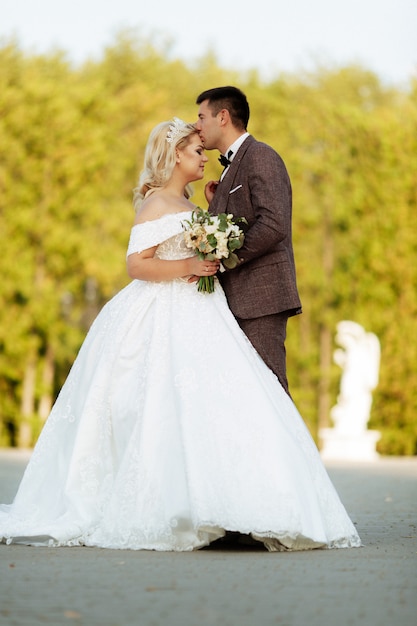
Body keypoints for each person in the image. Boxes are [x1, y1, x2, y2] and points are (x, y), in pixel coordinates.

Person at [0, 118, 361, 552]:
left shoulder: (189, 204)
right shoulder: (155, 204)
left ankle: (230, 504)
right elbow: (137, 264)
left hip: (204, 312)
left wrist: (212, 217)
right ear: (175, 156)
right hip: (159, 312)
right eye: (195, 152)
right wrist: (188, 266)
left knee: (223, 403)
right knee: (162, 404)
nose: (202, 157)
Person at [196, 86, 301, 396]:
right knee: (246, 397)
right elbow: (236, 224)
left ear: (223, 117)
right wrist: (214, 206)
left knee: (270, 393)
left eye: (202, 117)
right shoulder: (232, 167)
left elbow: (274, 223)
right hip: (237, 302)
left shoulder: (261, 156)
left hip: (261, 299)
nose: (197, 126)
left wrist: (226, 261)